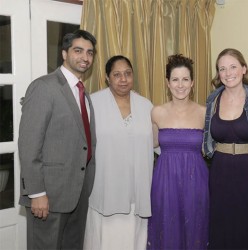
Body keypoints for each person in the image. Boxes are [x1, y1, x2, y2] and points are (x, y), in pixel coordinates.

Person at [18, 29, 97, 249]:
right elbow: (28, 145)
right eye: (78, 50)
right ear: (64, 54)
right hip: (48, 196)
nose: (85, 57)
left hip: (78, 194)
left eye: (90, 53)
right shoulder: (44, 87)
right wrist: (37, 193)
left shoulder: (83, 93)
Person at [83, 55, 154, 250]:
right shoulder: (93, 104)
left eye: (128, 74)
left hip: (137, 192)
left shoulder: (146, 106)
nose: (123, 79)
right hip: (106, 190)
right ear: (107, 77)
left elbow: (159, 143)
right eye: (117, 74)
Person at [203, 48, 248, 249]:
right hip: (219, 172)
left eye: (233, 67)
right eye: (222, 69)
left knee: (246, 229)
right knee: (221, 227)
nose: (228, 73)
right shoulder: (212, 100)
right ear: (218, 75)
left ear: (244, 69)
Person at [147, 54, 209, 249]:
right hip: (165, 181)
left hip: (196, 181)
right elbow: (153, 143)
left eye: (185, 79)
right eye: (175, 79)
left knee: (196, 228)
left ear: (192, 83)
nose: (180, 85)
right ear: (167, 83)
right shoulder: (156, 112)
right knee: (166, 229)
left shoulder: (205, 112)